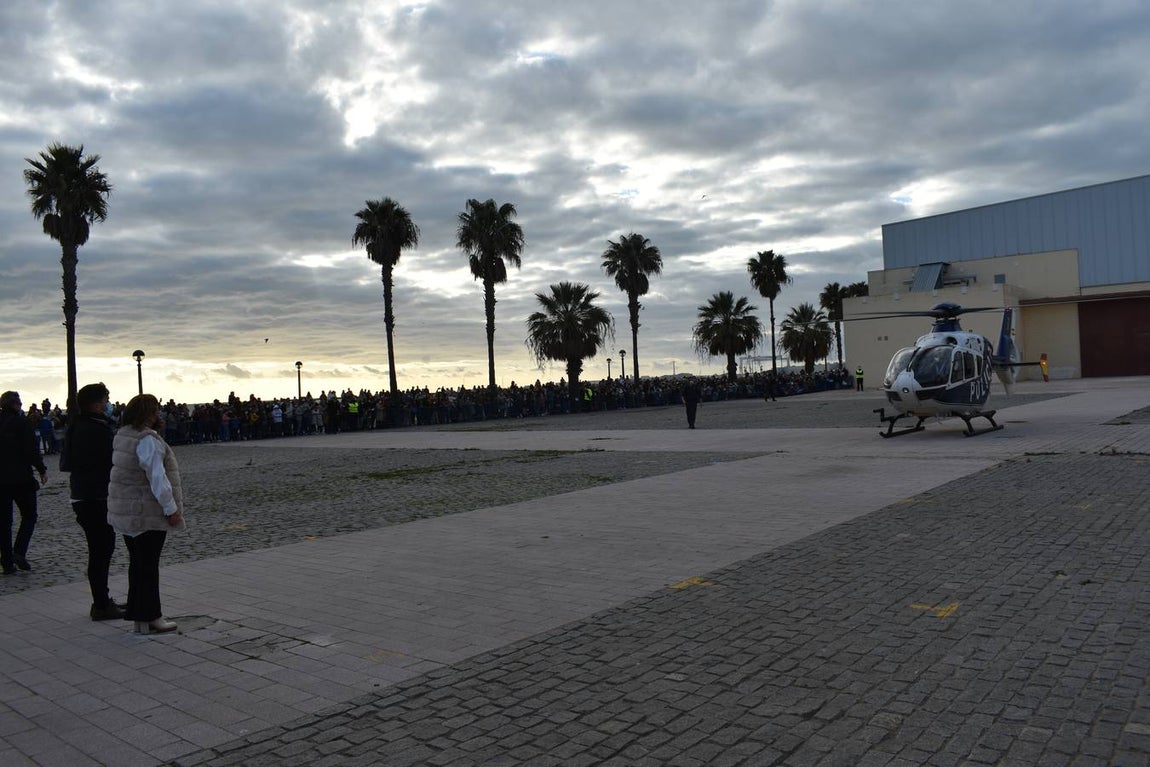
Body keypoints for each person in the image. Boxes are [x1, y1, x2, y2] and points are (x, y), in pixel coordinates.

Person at [107, 394, 186, 634]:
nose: (158, 416)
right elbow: (157, 478)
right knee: (148, 566)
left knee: (138, 564)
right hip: (145, 512)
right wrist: (171, 509)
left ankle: (139, 615)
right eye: (155, 411)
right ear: (148, 414)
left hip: (129, 512)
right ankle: (151, 615)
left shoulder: (123, 435)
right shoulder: (146, 439)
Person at [62, 383, 123, 620]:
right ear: (97, 403)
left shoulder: (78, 425)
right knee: (101, 549)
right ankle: (101, 604)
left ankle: (102, 599)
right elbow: (109, 461)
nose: (109, 404)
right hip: (95, 497)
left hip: (84, 495)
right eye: (107, 399)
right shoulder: (94, 429)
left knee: (100, 549)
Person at [0, 391, 48, 574]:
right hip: (21, 478)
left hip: (1, 481)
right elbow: (31, 449)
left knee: (4, 522)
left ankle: (7, 562)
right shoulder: (22, 423)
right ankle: (19, 551)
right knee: (29, 516)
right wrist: (42, 469)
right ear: (15, 405)